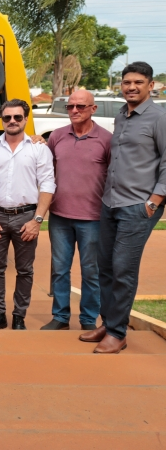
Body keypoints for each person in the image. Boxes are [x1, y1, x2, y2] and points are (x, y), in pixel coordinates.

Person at [81, 62, 166, 353]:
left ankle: (118, 333)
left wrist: (155, 201)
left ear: (151, 85)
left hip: (138, 206)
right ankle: (109, 322)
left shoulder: (158, 118)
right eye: (126, 82)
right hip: (111, 203)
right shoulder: (122, 115)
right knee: (104, 266)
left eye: (138, 82)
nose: (131, 87)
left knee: (122, 269)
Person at [0, 99, 55, 330]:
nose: (12, 121)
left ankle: (19, 316)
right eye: (7, 117)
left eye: (17, 117)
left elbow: (48, 185)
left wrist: (37, 220)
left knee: (25, 269)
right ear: (2, 120)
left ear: (25, 119)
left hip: (27, 217)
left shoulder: (39, 148)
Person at [42, 90, 111, 331]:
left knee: (91, 273)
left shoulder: (106, 139)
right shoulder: (57, 136)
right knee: (60, 270)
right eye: (70, 106)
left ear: (94, 109)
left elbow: (114, 177)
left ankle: (88, 320)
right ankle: (60, 317)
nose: (74, 110)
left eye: (81, 106)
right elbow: (46, 171)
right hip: (59, 216)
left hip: (92, 218)